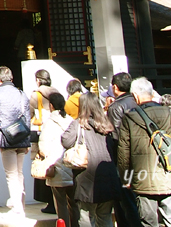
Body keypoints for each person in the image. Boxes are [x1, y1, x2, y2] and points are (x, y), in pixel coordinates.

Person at [116, 77, 171, 227]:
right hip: (170, 178)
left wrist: (126, 179)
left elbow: (123, 154)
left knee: (148, 222)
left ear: (135, 96)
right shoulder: (169, 114)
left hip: (143, 182)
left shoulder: (129, 118)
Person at [62, 92, 122, 227]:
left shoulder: (78, 124)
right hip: (108, 175)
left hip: (87, 177)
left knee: (86, 217)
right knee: (105, 216)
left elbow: (65, 141)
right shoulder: (107, 125)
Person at [0, 65, 32, 219]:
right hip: (21, 137)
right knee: (19, 173)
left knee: (11, 175)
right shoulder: (21, 94)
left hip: (6, 138)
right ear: (11, 79)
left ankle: (17, 208)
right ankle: (21, 205)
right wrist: (28, 140)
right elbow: (27, 118)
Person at [38, 92, 78, 227]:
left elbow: (43, 147)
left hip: (57, 167)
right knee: (73, 202)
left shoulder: (49, 123)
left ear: (51, 105)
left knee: (60, 205)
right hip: (72, 167)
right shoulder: (72, 121)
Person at [107, 71, 140, 227]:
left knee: (125, 202)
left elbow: (116, 137)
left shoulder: (115, 107)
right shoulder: (138, 101)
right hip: (141, 156)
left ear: (115, 87)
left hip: (123, 159)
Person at [29, 69, 57, 214]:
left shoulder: (36, 95)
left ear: (38, 80)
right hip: (56, 133)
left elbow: (30, 114)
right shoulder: (56, 93)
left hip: (42, 132)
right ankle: (56, 201)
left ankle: (49, 202)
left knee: (44, 167)